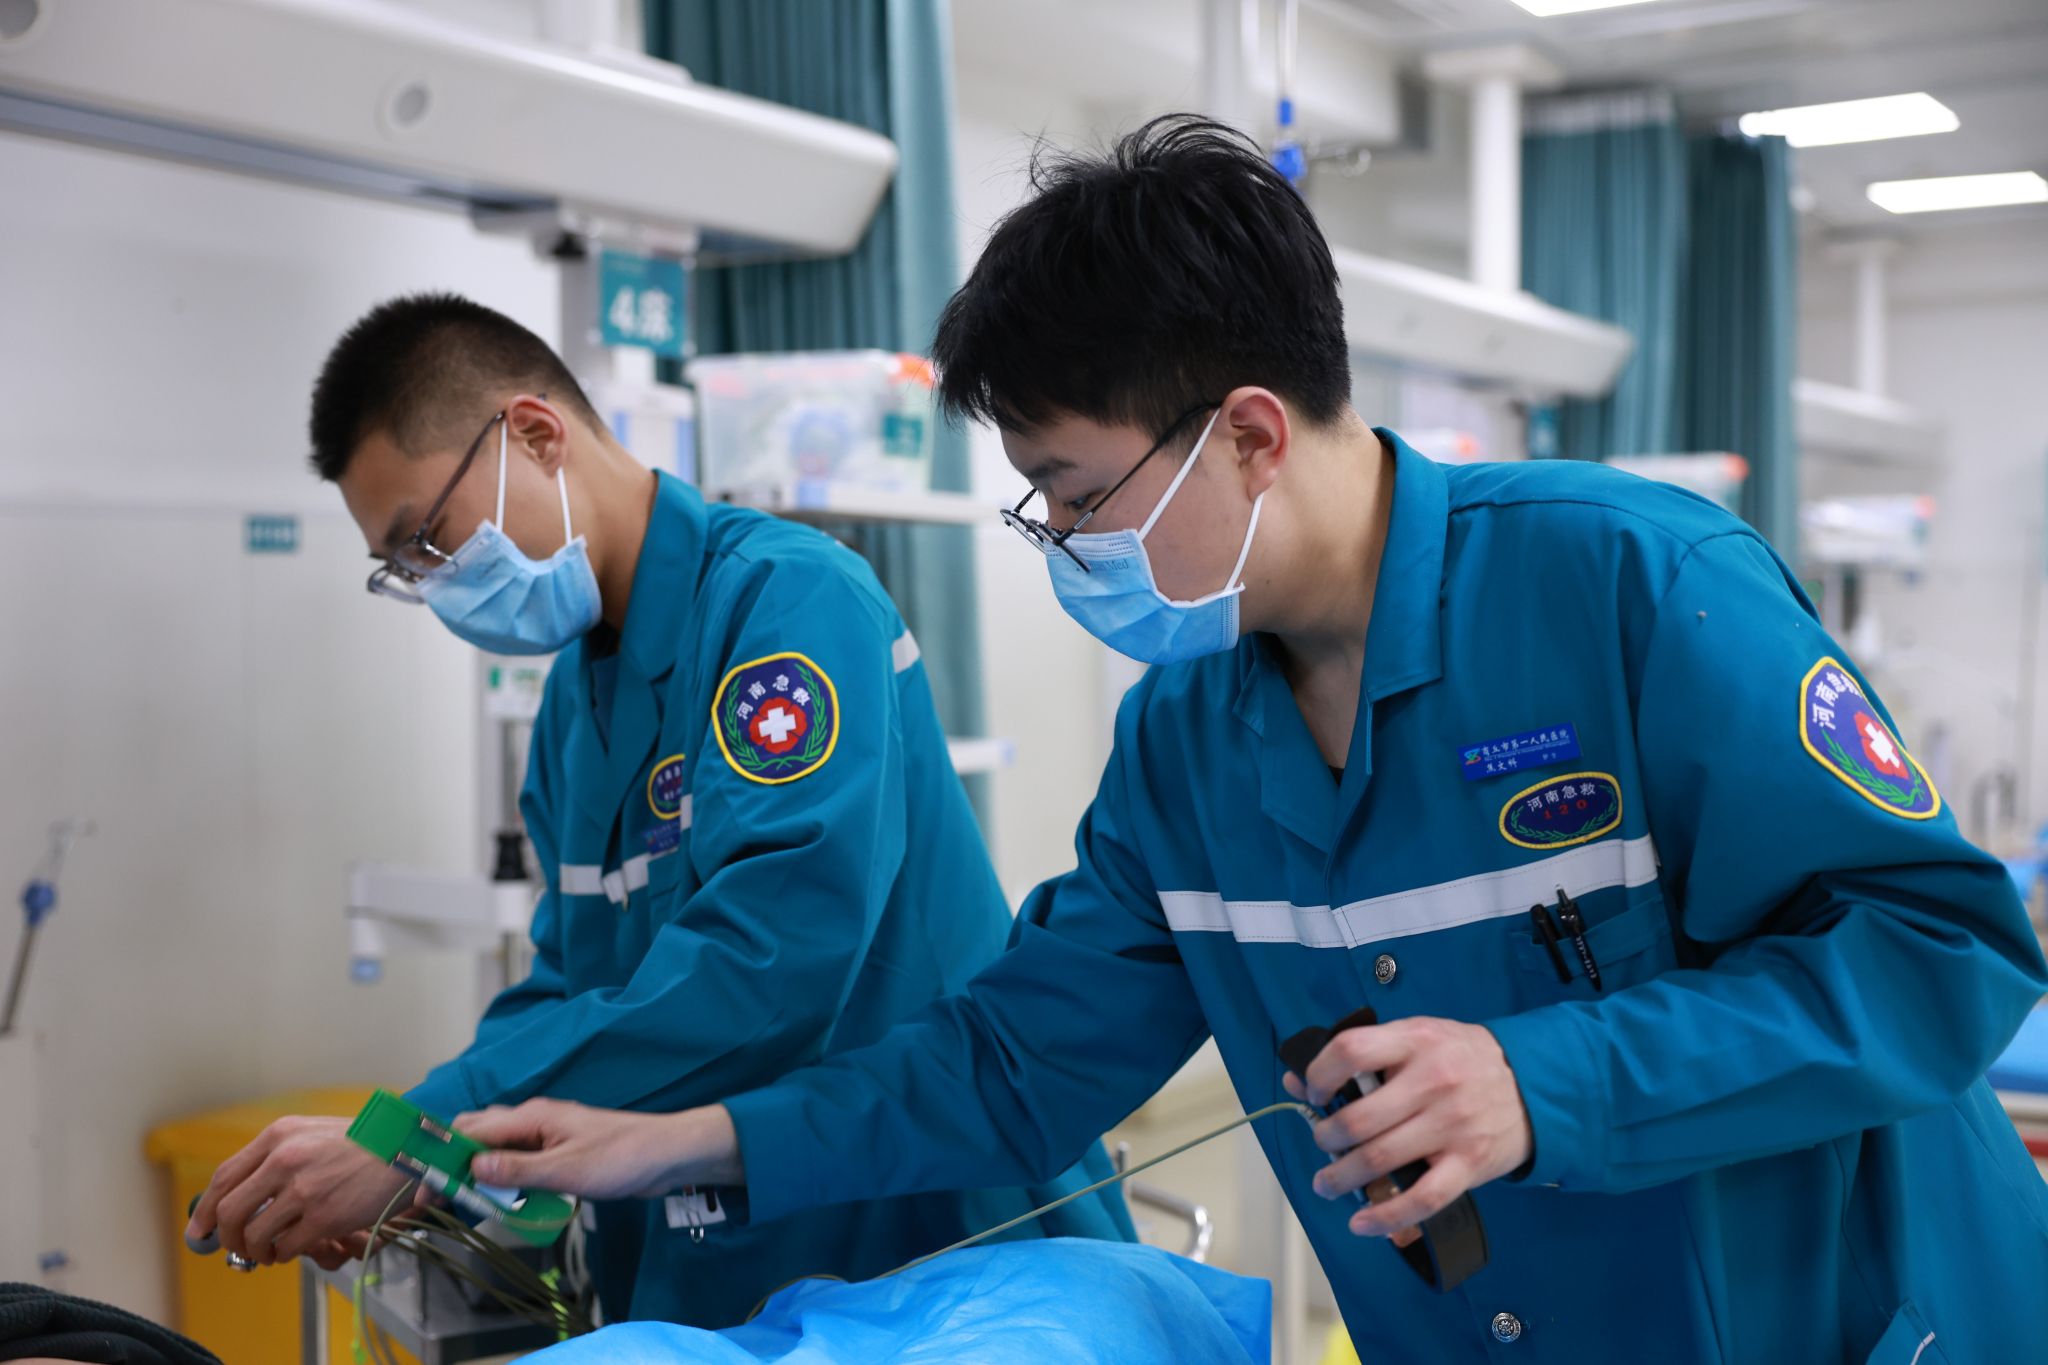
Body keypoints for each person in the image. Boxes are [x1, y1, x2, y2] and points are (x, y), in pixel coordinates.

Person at [453, 118, 2048, 1362]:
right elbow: (1013, 1060)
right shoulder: (1187, 748)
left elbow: (1942, 951)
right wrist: (684, 1142)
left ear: (1251, 432)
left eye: (1077, 494)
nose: (1065, 541)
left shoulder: (1634, 589)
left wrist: (1543, 1078)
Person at [182, 294, 1131, 1328]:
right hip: (715, 1261)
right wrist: (433, 1172)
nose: (438, 585)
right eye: (405, 569)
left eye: (431, 538)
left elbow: (771, 959)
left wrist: (422, 1131)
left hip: (919, 1240)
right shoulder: (574, 707)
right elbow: (568, 984)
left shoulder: (786, 603)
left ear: (534, 434)